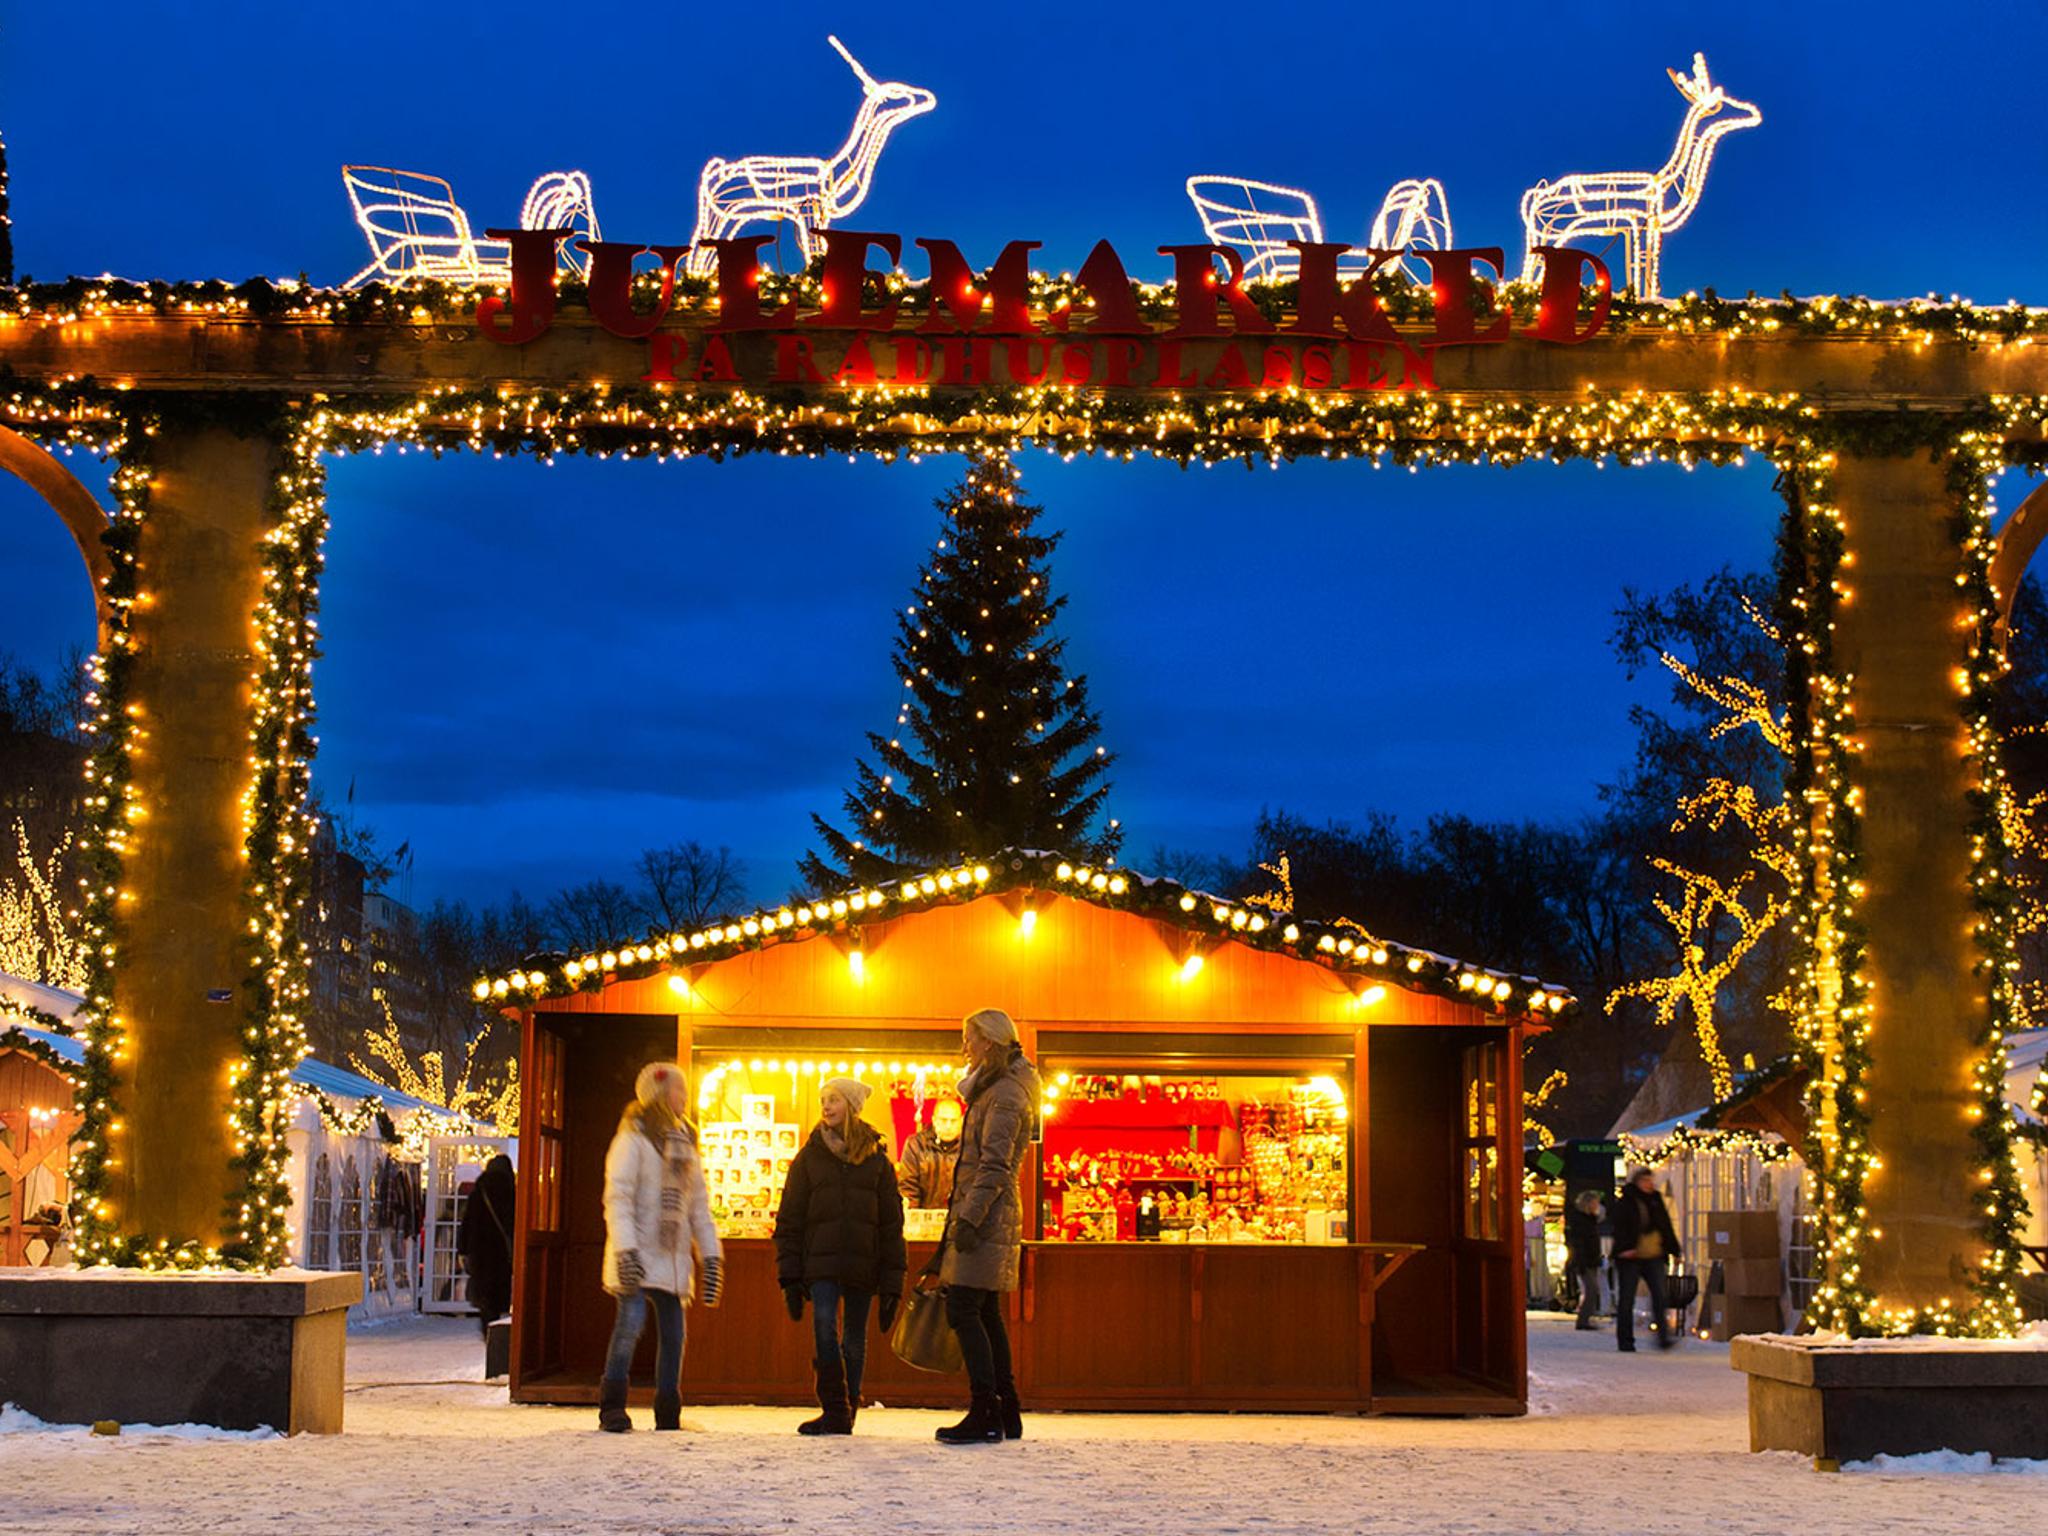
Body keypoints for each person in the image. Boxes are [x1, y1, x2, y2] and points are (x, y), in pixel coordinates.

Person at [774, 1076, 907, 1436]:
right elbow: (790, 1217)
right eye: (823, 1100)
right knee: (823, 1329)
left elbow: (892, 1224)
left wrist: (893, 1282)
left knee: (854, 1337)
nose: (826, 1106)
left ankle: (848, 1409)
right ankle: (834, 1407)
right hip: (820, 1263)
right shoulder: (809, 1156)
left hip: (863, 1262)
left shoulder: (877, 1160)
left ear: (851, 1105)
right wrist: (789, 1275)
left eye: (833, 1099)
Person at [598, 1061, 724, 1432]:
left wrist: (711, 1255)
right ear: (659, 1094)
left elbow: (698, 1206)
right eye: (678, 1089)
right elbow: (618, 1198)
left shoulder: (686, 1144)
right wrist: (626, 1250)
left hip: (671, 1257)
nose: (685, 1097)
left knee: (674, 1336)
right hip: (637, 1252)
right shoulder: (632, 1139)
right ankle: (612, 1407)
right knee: (630, 1326)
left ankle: (668, 1410)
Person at [936, 1006, 1039, 1446]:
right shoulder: (996, 1089)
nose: (964, 1047)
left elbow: (995, 1165)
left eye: (970, 1038)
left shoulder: (1005, 1094)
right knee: (985, 1312)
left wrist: (970, 1219)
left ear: (991, 1043)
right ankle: (1005, 1409)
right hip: (987, 1213)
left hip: (986, 1217)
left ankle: (985, 1411)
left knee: (962, 1308)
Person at [1611, 1166, 1680, 1352]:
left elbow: (1665, 1226)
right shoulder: (1626, 1202)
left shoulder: (1655, 1200)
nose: (1649, 1184)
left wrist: (1674, 1249)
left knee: (1659, 1295)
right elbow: (1619, 1227)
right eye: (1646, 1181)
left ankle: (1663, 1337)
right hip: (1630, 1256)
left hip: (1653, 1255)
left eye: (1651, 1181)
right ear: (1637, 1182)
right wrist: (1626, 1248)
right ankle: (1625, 1341)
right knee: (1627, 1299)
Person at [457, 1153, 516, 1337]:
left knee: (486, 1298)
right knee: (501, 1295)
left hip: (480, 1253)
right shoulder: (511, 1193)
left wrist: (463, 1249)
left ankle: (489, 1333)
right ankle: (500, 1335)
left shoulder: (479, 1192)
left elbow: (466, 1222)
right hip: (502, 1254)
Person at [897, 1094, 964, 1210]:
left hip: (959, 1221)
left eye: (953, 1121)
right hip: (923, 1218)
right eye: (943, 1120)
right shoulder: (916, 1145)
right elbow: (908, 1187)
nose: (948, 1126)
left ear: (961, 1121)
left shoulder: (969, 1147)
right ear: (934, 1120)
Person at [1565, 1188, 1606, 1331]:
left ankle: (1585, 1318)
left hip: (1590, 1259)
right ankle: (1583, 1319)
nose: (1597, 1206)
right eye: (1595, 1203)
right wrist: (1580, 1260)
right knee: (1592, 1289)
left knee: (1592, 1289)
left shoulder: (1589, 1220)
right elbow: (1579, 1242)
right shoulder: (1581, 1221)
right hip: (1584, 1260)